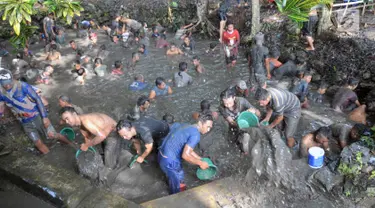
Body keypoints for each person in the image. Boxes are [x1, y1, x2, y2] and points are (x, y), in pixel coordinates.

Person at [0, 69, 72, 154]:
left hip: (37, 116)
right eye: (4, 84)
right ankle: (50, 160)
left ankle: (71, 145)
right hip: (24, 121)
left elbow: (37, 99)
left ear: (12, 78)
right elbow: (2, 104)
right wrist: (2, 115)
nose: (7, 85)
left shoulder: (22, 86)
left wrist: (45, 117)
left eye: (8, 82)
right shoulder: (1, 92)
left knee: (53, 135)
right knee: (37, 143)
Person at [158, 114, 213, 194]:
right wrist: (201, 163)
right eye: (207, 126)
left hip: (161, 155)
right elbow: (185, 155)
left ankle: (179, 186)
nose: (208, 130)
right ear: (200, 123)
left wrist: (199, 158)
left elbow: (187, 148)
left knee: (179, 177)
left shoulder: (186, 125)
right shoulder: (195, 135)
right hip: (169, 161)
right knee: (176, 191)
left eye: (210, 128)